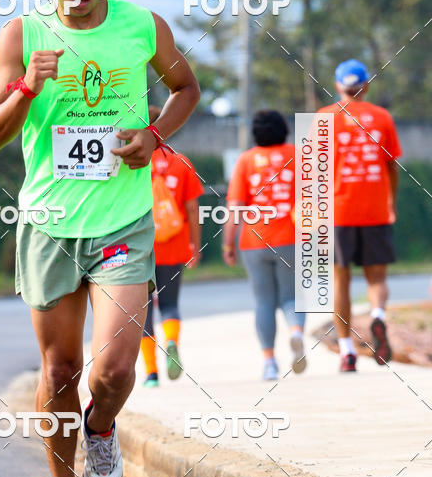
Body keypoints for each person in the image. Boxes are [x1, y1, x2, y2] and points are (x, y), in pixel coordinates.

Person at [0, 0, 200, 477]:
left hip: (122, 222)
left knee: (112, 369)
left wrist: (154, 135)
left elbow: (186, 87)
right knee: (60, 369)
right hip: (49, 224)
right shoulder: (22, 35)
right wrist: (26, 86)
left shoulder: (141, 26)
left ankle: (100, 426)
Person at [317, 59, 401, 373]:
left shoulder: (324, 118)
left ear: (338, 86)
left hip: (337, 211)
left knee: (340, 281)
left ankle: (347, 352)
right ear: (366, 85)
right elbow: (392, 166)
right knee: (377, 278)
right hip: (375, 208)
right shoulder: (382, 117)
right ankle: (378, 316)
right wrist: (390, 201)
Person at [222, 110, 306, 381]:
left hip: (254, 240)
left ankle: (269, 362)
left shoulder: (246, 160)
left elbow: (234, 207)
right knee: (292, 297)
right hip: (292, 238)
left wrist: (228, 245)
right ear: (284, 129)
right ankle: (296, 332)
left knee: (264, 302)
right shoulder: (298, 155)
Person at [140, 105, 203, 387]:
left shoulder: (132, 160)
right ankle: (173, 343)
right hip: (174, 245)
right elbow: (192, 211)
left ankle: (151, 374)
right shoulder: (181, 162)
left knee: (142, 309)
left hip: (139, 246)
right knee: (170, 304)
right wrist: (195, 246)